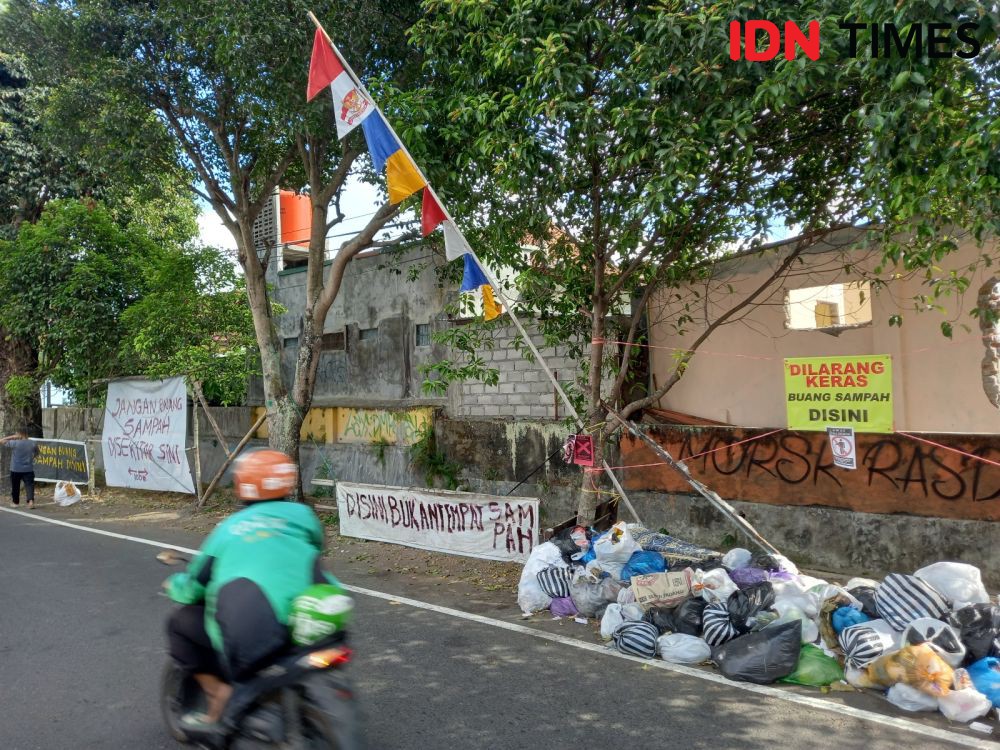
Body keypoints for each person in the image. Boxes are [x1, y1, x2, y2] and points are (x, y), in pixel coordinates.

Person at [164, 449, 336, 730]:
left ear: (242, 485)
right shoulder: (305, 516)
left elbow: (194, 586)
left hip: (259, 627)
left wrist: (174, 585)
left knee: (178, 623)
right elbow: (316, 550)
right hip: (312, 619)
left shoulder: (229, 529)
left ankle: (218, 694)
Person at [0, 427, 40, 509]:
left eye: (16, 433)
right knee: (29, 485)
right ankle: (31, 502)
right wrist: (32, 457)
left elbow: (1, 441)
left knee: (15, 486)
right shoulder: (32, 443)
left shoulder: (15, 443)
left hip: (15, 469)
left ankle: (15, 502)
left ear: (19, 434)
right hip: (28, 468)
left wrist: (12, 437)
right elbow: (37, 452)